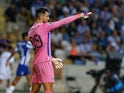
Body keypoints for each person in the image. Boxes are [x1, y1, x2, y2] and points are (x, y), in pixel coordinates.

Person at [28, 7, 92, 93]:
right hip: (44, 62)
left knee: (34, 91)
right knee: (48, 89)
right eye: (47, 16)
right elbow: (61, 22)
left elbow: (40, 50)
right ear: (41, 16)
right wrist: (79, 15)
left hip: (36, 63)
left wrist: (52, 59)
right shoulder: (44, 26)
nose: (48, 18)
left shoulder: (30, 31)